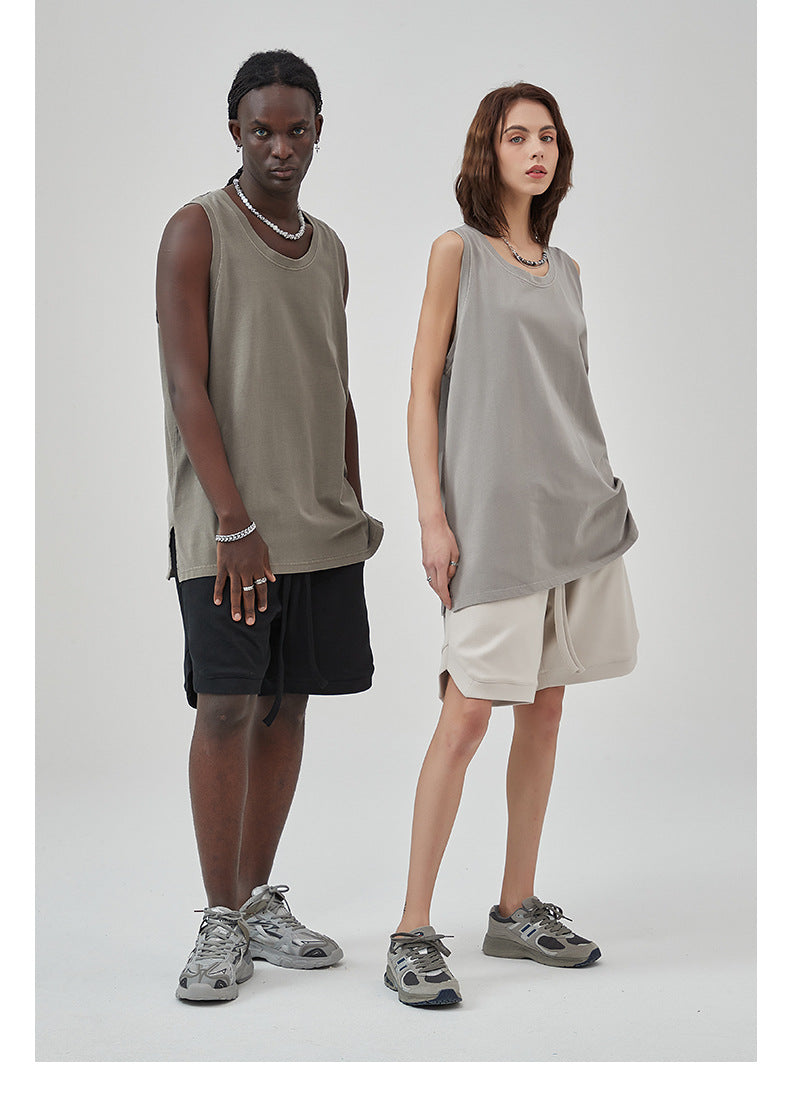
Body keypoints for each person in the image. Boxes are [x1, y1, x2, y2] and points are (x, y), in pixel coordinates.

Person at [384, 83, 639, 1008]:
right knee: (466, 717)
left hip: (576, 514)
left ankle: (514, 908)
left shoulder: (566, 270)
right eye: (517, 136)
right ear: (486, 151)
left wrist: (601, 484)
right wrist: (432, 515)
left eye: (548, 137)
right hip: (491, 523)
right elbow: (422, 391)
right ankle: (411, 930)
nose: (536, 150)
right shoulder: (457, 253)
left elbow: (568, 394)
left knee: (547, 711)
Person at [156, 49, 383, 1003]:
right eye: (262, 130)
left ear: (319, 131)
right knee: (226, 706)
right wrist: (232, 521)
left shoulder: (329, 248)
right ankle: (217, 921)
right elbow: (187, 387)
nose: (280, 147)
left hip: (317, 526)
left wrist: (353, 502)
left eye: (297, 130)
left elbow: (334, 385)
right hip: (228, 532)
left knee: (289, 705)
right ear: (236, 132)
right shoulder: (196, 230)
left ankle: (254, 904)